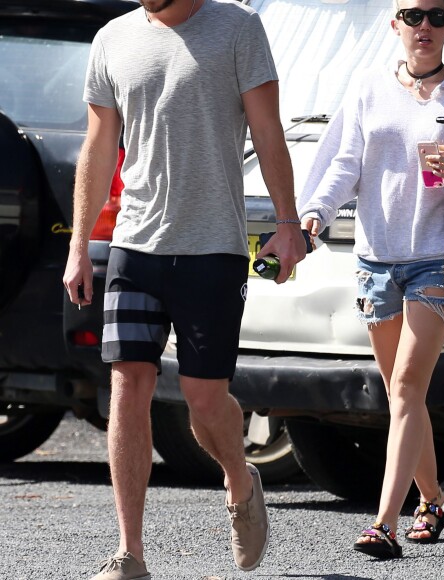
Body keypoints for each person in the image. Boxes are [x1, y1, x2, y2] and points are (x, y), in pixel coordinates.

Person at [63, 0, 307, 578]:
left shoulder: (238, 28)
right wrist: (79, 245)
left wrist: (288, 223)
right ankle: (130, 554)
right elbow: (98, 147)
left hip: (212, 248)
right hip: (134, 246)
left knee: (203, 398)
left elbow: (268, 129)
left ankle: (239, 477)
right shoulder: (113, 38)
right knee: (128, 385)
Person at [298, 0, 444, 559]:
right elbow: (346, 161)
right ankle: (434, 500)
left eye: (438, 16)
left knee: (409, 388)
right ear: (395, 24)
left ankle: (384, 523)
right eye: (413, 16)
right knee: (399, 396)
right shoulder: (368, 86)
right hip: (375, 259)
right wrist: (318, 209)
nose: (425, 27)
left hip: (436, 260)